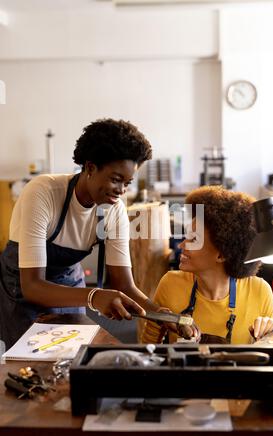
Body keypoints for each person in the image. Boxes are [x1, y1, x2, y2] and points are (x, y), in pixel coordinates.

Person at [0, 118, 160, 349]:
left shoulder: (114, 211)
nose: (122, 191)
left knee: (70, 352)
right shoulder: (43, 192)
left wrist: (161, 314)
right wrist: (94, 296)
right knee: (29, 359)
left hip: (68, 283)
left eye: (127, 182)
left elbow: (124, 285)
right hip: (24, 285)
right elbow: (33, 285)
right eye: (116, 179)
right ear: (90, 167)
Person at [140, 186, 273, 345]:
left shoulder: (259, 291)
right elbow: (148, 347)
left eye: (193, 240)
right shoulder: (170, 284)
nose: (181, 245)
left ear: (222, 254)